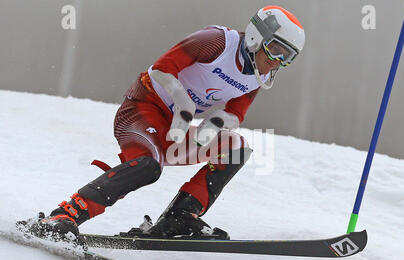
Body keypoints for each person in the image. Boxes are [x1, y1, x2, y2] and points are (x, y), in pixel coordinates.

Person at [18, 5, 305, 241]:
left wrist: (214, 123)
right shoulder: (217, 41)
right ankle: (63, 215)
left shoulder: (258, 76)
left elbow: (235, 114)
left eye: (288, 57)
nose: (278, 61)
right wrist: (183, 105)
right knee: (148, 166)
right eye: (277, 50)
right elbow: (161, 69)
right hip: (141, 110)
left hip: (174, 131)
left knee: (236, 148)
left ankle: (180, 217)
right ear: (257, 37)